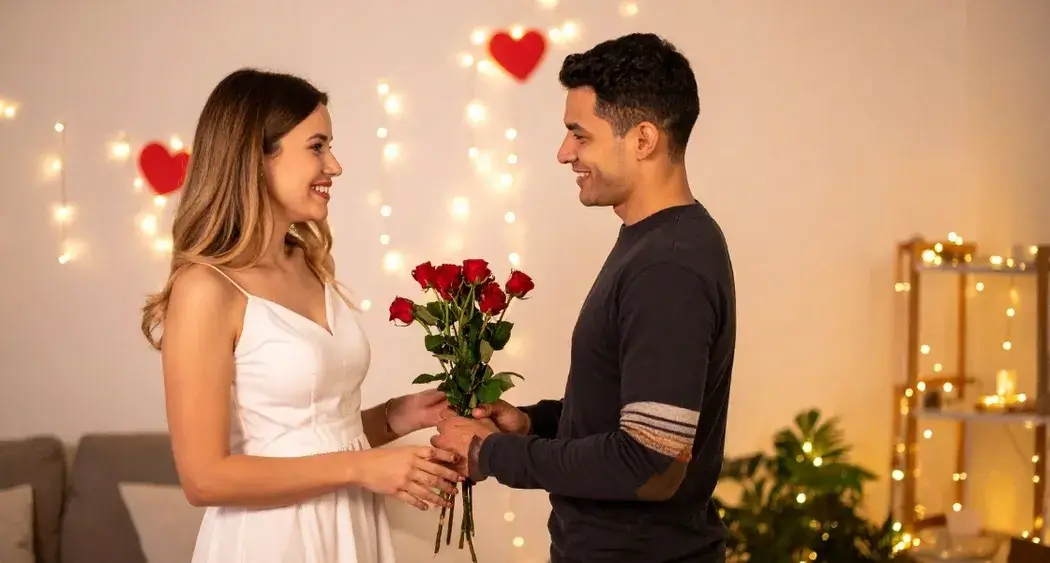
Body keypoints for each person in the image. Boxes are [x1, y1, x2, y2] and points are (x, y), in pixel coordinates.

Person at [431, 33, 736, 563]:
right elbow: (639, 417)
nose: (564, 153)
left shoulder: (668, 265)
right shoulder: (655, 244)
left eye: (580, 135)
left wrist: (493, 453)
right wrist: (535, 422)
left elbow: (649, 463)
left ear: (643, 139)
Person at [140, 68, 463, 563]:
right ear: (256, 156)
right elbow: (204, 479)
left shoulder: (310, 263)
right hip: (272, 541)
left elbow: (311, 432)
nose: (334, 165)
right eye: (317, 146)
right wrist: (361, 470)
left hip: (349, 526)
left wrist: (396, 418)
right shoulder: (205, 289)